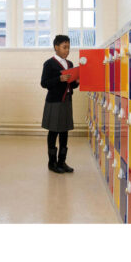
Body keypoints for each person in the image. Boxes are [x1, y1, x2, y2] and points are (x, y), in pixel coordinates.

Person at [41, 35, 79, 173]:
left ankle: (62, 162)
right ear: (56, 47)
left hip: (67, 101)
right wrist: (59, 78)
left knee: (64, 131)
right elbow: (44, 83)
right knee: (54, 131)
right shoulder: (49, 64)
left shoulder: (70, 64)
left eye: (68, 47)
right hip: (54, 102)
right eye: (64, 47)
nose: (67, 50)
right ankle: (52, 163)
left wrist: (76, 81)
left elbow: (72, 85)